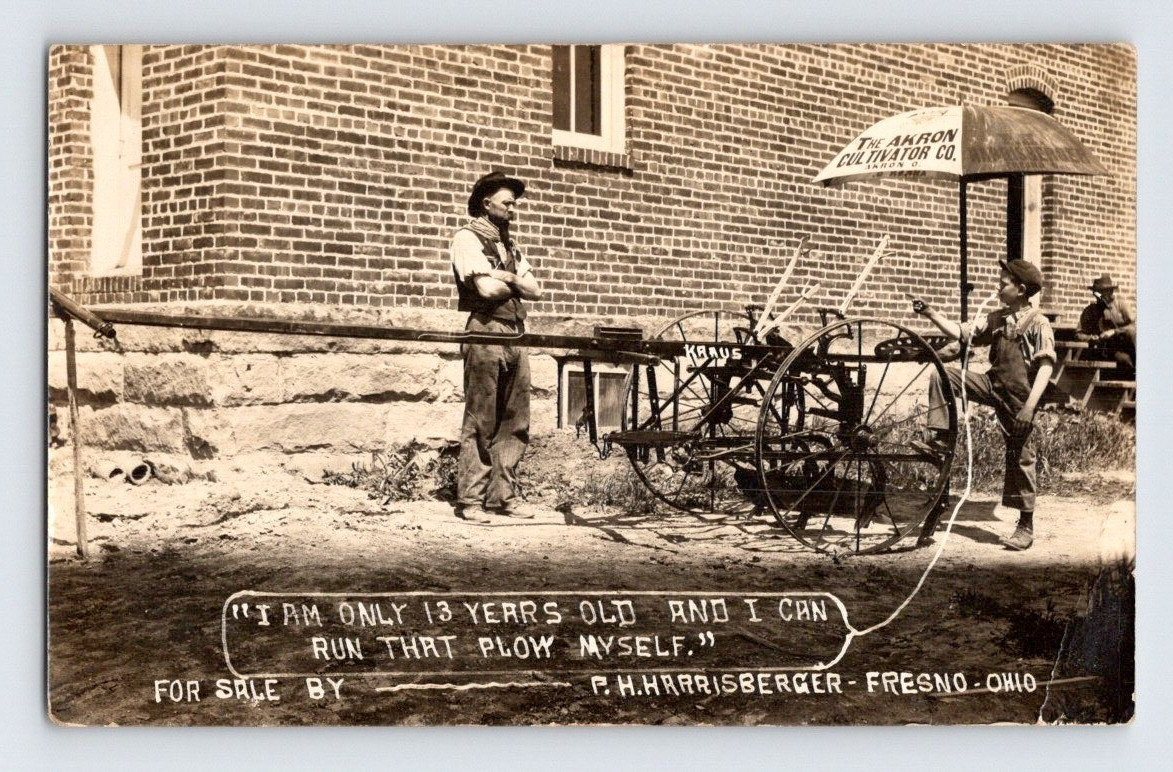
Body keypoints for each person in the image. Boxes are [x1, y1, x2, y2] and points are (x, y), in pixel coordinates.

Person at [910, 260, 1057, 551]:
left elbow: (1046, 367)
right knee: (943, 375)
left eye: (1003, 284)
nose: (997, 288)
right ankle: (940, 437)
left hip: (1019, 399)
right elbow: (961, 332)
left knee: (1021, 457)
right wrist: (930, 313)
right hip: (992, 385)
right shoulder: (997, 318)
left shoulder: (1038, 323)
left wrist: (1029, 408)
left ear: (1021, 290)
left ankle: (1025, 526)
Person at [450, 171, 543, 523]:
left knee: (515, 419)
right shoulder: (467, 238)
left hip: (516, 333)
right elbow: (486, 291)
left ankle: (502, 497)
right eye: (508, 203)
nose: (513, 209)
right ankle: (471, 501)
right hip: (486, 330)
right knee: (481, 418)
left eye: (514, 204)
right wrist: (510, 283)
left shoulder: (511, 246)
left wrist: (508, 276)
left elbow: (535, 291)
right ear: (487, 204)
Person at [1075, 274, 1135, 373]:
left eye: (1104, 292)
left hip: (1127, 344)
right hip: (1107, 348)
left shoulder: (1121, 305)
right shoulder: (1090, 311)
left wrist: (1114, 331)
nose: (1100, 296)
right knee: (1124, 360)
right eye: (1098, 293)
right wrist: (1091, 338)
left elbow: (1134, 326)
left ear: (1111, 291)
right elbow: (1078, 333)